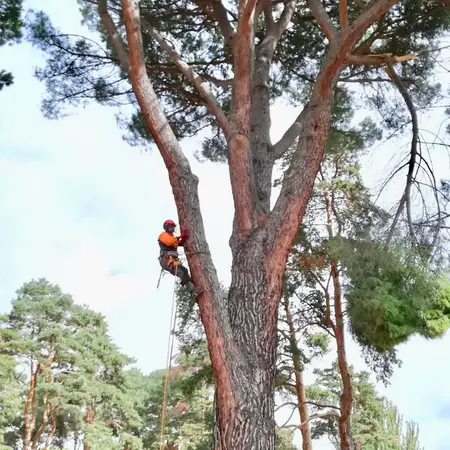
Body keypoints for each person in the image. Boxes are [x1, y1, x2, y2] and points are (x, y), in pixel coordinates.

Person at [158, 219, 202, 296]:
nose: (172, 228)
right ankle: (192, 290)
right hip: (166, 260)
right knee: (181, 272)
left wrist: (183, 239)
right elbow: (170, 242)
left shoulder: (172, 238)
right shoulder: (163, 235)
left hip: (171, 260)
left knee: (184, 271)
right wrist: (180, 236)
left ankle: (192, 288)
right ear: (166, 227)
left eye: (172, 227)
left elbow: (177, 243)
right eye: (170, 227)